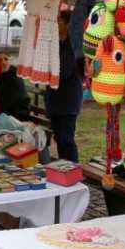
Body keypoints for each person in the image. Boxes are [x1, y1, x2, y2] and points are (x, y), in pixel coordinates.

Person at [45, 9, 84, 162]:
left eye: (59, 21)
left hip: (68, 100)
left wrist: (48, 71)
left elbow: (65, 70)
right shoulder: (56, 42)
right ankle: (63, 169)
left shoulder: (72, 44)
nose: (56, 24)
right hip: (55, 100)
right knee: (59, 139)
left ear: (67, 24)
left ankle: (73, 169)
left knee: (67, 140)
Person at [0, 52, 31, 121]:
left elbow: (7, 101)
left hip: (16, 116)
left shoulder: (14, 75)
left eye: (6, 59)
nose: (4, 62)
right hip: (4, 115)